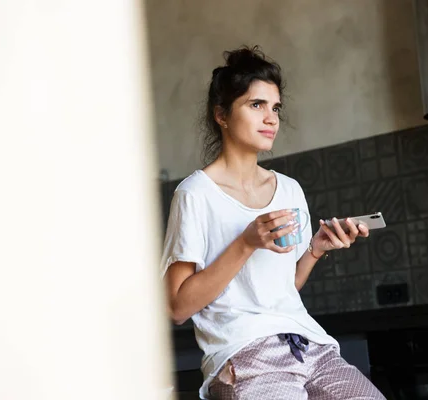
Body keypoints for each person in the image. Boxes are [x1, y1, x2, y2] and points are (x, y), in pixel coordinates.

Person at [160, 45, 386, 400]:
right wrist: (246, 242)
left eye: (275, 107)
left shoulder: (289, 190)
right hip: (246, 354)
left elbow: (281, 289)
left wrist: (315, 249)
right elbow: (177, 308)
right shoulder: (195, 194)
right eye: (256, 105)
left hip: (311, 346)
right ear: (221, 115)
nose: (271, 118)